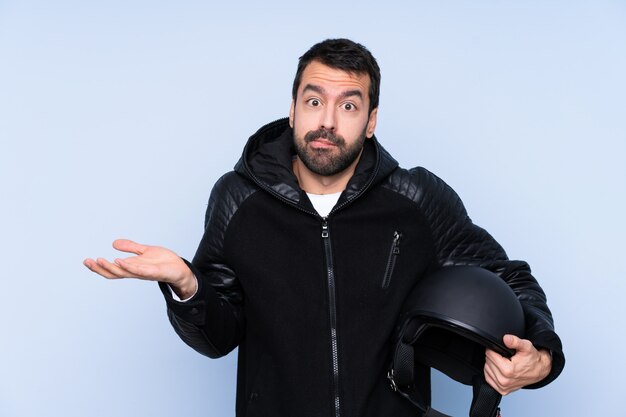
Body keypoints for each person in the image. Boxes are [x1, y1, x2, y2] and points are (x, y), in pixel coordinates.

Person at [84, 38, 564, 417]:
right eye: (314, 101)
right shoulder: (237, 198)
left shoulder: (417, 198)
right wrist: (188, 286)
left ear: (371, 121)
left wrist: (540, 356)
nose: (327, 121)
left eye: (349, 106)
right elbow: (217, 339)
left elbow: (508, 276)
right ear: (293, 109)